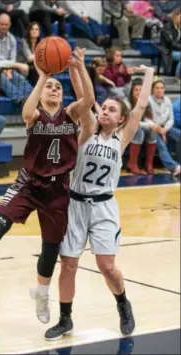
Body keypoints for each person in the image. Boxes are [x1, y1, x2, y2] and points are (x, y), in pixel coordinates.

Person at [0, 47, 95, 325]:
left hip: (58, 191)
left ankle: (42, 294)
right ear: (42, 91)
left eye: (58, 86)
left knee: (50, 248)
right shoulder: (34, 116)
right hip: (29, 184)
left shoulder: (71, 113)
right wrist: (43, 75)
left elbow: (89, 99)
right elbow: (27, 110)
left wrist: (79, 67)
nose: (54, 89)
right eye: (50, 87)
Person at [44, 64, 155, 340]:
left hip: (104, 206)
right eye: (103, 107)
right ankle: (65, 319)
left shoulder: (122, 138)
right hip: (75, 205)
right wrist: (75, 67)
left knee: (107, 267)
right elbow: (85, 98)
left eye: (112, 109)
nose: (105, 111)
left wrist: (149, 73)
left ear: (121, 119)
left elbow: (140, 106)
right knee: (68, 264)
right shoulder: (88, 129)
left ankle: (122, 303)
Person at [0, 13, 32, 103]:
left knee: (19, 77)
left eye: (6, 24)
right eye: (2, 24)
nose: (4, 27)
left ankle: (32, 96)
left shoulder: (11, 38)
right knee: (1, 77)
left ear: (10, 24)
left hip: (7, 67)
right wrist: (5, 70)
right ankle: (21, 99)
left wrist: (9, 70)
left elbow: (12, 59)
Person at [149, 79, 180, 176]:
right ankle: (174, 167)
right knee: (162, 146)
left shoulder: (167, 100)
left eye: (161, 88)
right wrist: (159, 129)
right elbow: (146, 119)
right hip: (152, 128)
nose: (159, 90)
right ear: (153, 90)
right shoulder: (148, 101)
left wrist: (164, 130)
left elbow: (171, 119)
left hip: (165, 127)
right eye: (157, 88)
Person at [126, 78, 157, 175]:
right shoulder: (127, 102)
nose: (138, 92)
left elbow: (149, 119)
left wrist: (152, 126)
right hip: (125, 128)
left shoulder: (146, 102)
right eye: (136, 90)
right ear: (132, 91)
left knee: (152, 131)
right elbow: (133, 123)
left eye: (140, 90)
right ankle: (132, 164)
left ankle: (149, 164)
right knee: (139, 131)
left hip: (140, 127)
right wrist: (149, 125)